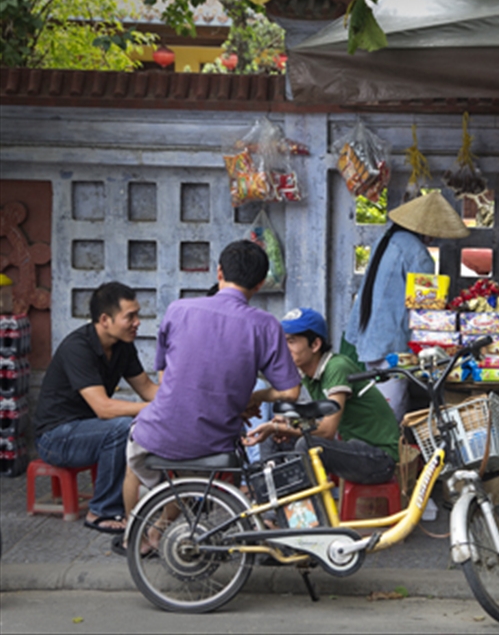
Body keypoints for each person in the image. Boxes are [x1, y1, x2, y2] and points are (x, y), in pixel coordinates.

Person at [116, 240, 301, 555]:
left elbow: (166, 380)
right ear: (259, 284)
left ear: (219, 272)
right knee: (192, 476)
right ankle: (158, 531)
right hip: (213, 441)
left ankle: (132, 535)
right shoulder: (266, 325)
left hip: (157, 434)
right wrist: (247, 399)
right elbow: (290, 392)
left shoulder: (178, 310)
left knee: (135, 463)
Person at [33, 282, 158, 534]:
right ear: (105, 319)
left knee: (132, 423)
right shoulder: (77, 348)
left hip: (89, 429)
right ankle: (100, 511)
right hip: (55, 437)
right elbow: (103, 408)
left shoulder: (122, 346)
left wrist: (180, 403)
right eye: (130, 316)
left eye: (137, 315)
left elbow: (147, 389)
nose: (137, 322)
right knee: (122, 428)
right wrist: (151, 410)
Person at [342, 192, 468, 421]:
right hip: (392, 345)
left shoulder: (387, 239)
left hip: (369, 336)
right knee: (391, 415)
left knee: (375, 408)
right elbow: (426, 312)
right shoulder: (418, 255)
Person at [245, 307, 399, 485]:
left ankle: (307, 507)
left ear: (315, 344)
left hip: (379, 458)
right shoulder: (307, 371)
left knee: (306, 444)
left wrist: (280, 427)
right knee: (273, 435)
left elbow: (326, 430)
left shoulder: (336, 367)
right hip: (353, 449)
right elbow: (286, 394)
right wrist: (257, 399)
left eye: (291, 341)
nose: (284, 349)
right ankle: (274, 501)